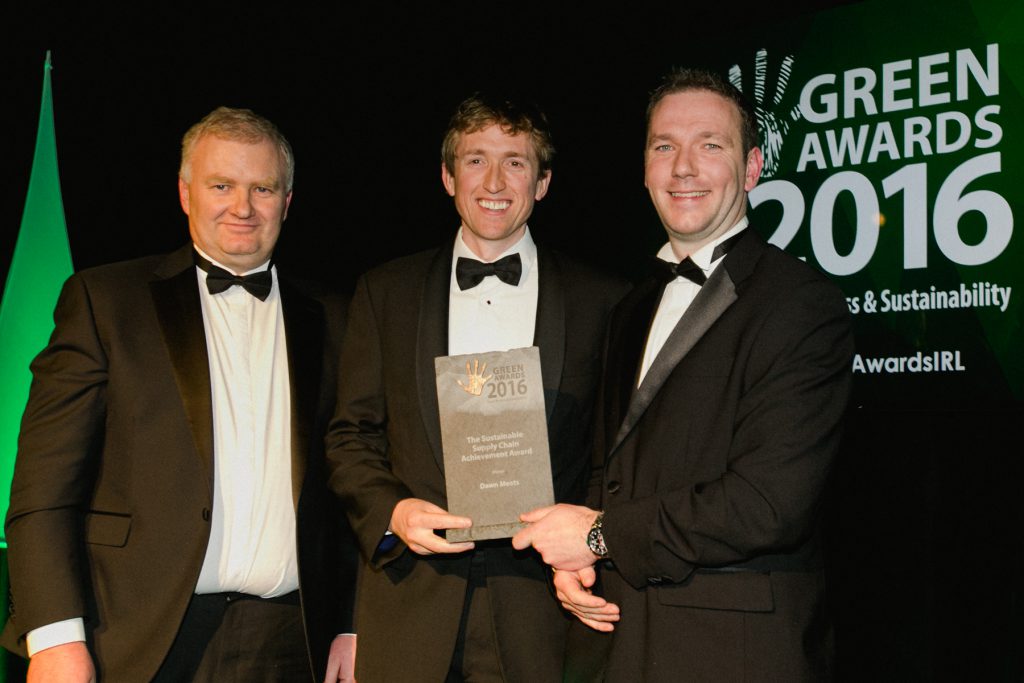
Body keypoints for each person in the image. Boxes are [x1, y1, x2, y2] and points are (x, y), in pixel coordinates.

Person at [512, 68, 854, 681]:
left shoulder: (800, 304)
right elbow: (607, 469)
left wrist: (596, 536)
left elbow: (767, 504)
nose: (684, 167)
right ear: (644, 170)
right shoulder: (628, 306)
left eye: (710, 145)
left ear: (751, 169)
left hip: (734, 651)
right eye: (664, 146)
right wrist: (574, 562)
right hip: (617, 639)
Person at [2, 107, 357, 683]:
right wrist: (53, 639)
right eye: (222, 185)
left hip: (295, 646)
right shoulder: (105, 301)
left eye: (262, 188)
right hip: (136, 642)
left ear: (287, 202)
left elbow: (356, 486)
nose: (242, 207)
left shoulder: (338, 316)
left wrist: (351, 622)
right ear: (185, 192)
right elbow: (44, 487)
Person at [325, 93, 626, 682]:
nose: (494, 180)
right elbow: (350, 439)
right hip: (412, 605)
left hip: (547, 608)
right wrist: (394, 512)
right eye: (475, 159)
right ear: (447, 175)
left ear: (542, 182)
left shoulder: (605, 301)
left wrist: (587, 543)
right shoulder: (385, 292)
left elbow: (612, 455)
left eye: (515, 161)